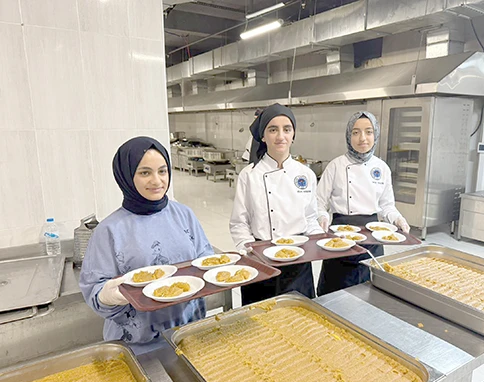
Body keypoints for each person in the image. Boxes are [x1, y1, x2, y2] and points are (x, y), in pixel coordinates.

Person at [79, 136, 213, 354]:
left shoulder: (183, 214)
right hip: (138, 346)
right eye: (145, 173)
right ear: (126, 176)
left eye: (162, 171)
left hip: (189, 334)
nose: (157, 181)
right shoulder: (110, 230)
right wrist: (110, 294)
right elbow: (95, 291)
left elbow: (205, 259)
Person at [230, 103, 324, 305]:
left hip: (299, 262)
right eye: (273, 130)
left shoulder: (306, 174)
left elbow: (310, 218)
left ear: (293, 135)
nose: (281, 136)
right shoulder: (249, 175)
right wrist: (250, 251)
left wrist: (322, 241)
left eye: (287, 129)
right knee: (260, 320)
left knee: (300, 318)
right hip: (261, 262)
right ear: (263, 136)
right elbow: (239, 223)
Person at [316, 111, 410, 296]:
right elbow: (318, 202)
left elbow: (387, 206)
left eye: (368, 132)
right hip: (340, 236)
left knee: (371, 294)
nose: (362, 138)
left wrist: (398, 219)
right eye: (356, 132)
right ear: (348, 135)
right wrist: (322, 217)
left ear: (375, 135)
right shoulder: (335, 166)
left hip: (373, 236)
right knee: (334, 297)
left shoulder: (382, 168)